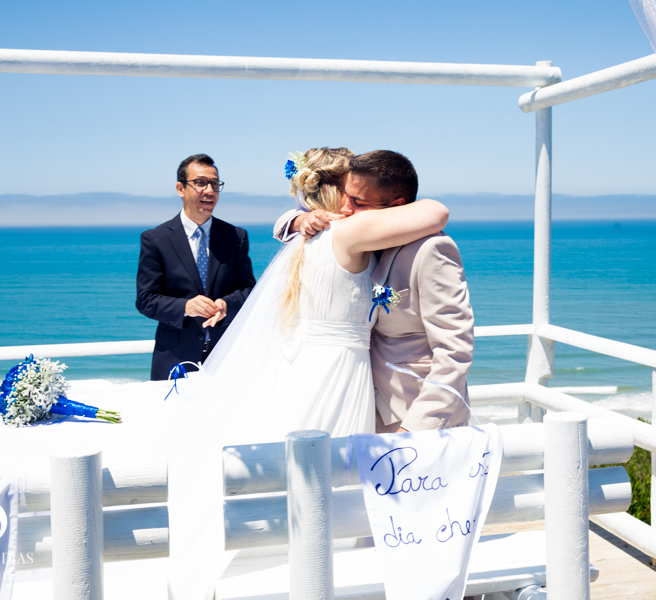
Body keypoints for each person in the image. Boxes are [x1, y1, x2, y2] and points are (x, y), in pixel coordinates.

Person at [166, 147, 451, 599]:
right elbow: (437, 211)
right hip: (340, 372)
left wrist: (297, 218)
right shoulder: (348, 230)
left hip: (303, 366)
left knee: (294, 486)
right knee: (331, 491)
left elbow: (293, 222)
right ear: (338, 190)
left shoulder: (307, 235)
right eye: (352, 190)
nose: (356, 202)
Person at [273, 149, 474, 434]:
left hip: (413, 418)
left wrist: (416, 429)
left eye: (357, 201)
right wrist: (296, 219)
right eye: (345, 196)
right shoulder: (358, 240)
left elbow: (454, 350)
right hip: (359, 405)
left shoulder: (431, 249)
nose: (345, 209)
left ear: (399, 205)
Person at [135, 153, 256, 380]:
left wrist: (226, 305)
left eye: (214, 184)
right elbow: (145, 300)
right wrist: (186, 307)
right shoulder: (155, 239)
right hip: (174, 359)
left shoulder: (235, 236)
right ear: (181, 189)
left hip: (227, 357)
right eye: (200, 183)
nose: (209, 190)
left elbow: (249, 290)